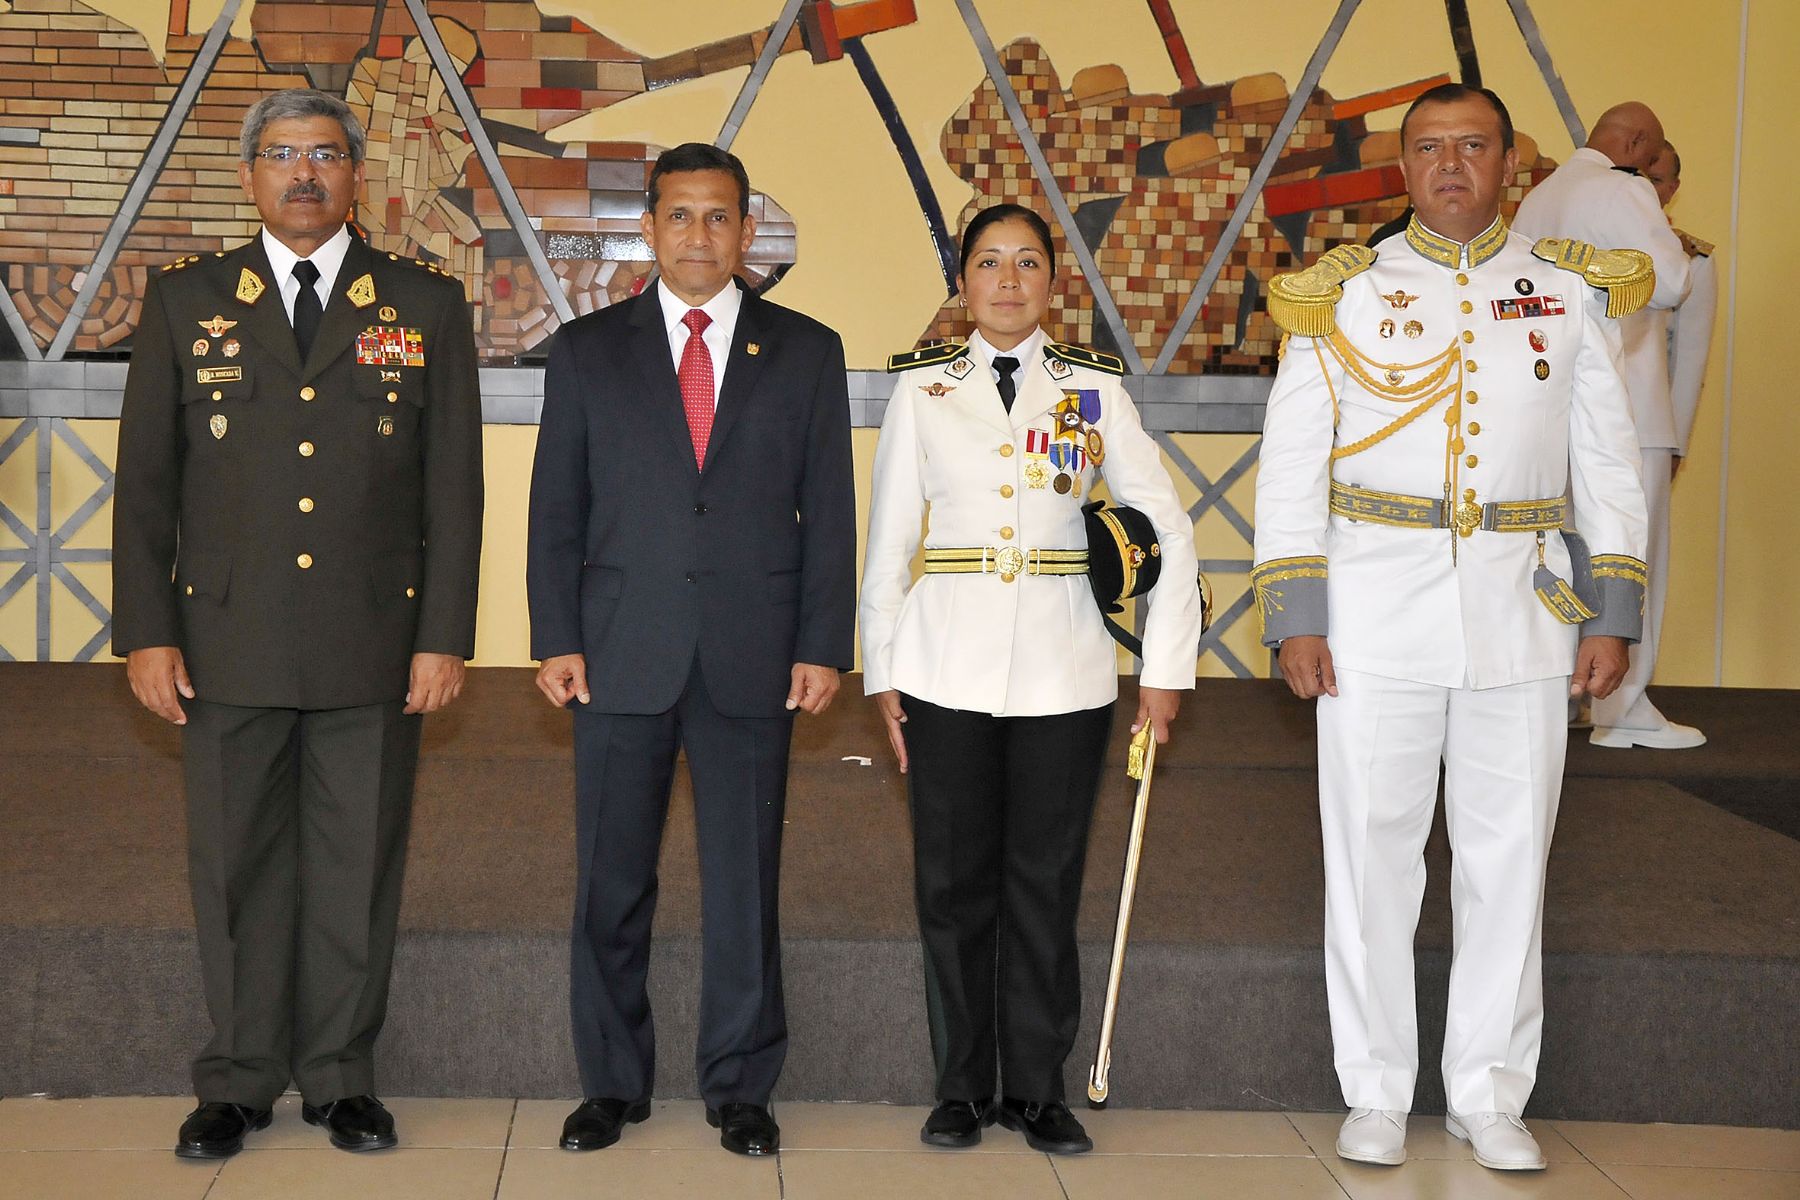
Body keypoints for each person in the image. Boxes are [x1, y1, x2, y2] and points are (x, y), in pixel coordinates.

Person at [1253, 85, 1648, 1172]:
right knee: (1371, 860)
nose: (1451, 166)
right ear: (1401, 165)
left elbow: (1608, 467)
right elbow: (1292, 466)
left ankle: (1489, 1093)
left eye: (1472, 146)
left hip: (1522, 620)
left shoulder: (1564, 294)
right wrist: (1297, 613)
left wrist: (1611, 614)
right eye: (1429, 148)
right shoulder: (1339, 294)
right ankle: (1375, 1089)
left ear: (1509, 161)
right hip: (1374, 615)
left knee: (1508, 862)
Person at [113, 89, 484, 1159]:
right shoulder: (186, 303)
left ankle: (339, 1076)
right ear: (249, 176)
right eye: (281, 155)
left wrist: (442, 634)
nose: (304, 173)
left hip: (373, 638)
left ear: (355, 174)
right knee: (234, 864)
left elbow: (452, 491)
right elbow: (147, 486)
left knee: (355, 863)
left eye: (325, 154)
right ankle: (236, 1079)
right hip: (225, 639)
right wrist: (147, 628)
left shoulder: (422, 302)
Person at [526, 143, 856, 1159]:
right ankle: (612, 1084)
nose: (700, 237)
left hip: (756, 653)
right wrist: (557, 637)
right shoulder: (587, 352)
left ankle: (740, 1085)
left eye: (720, 218)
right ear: (650, 227)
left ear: (746, 230)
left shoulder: (805, 350)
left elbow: (831, 513)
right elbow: (557, 513)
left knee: (743, 879)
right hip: (621, 650)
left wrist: (822, 643)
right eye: (680, 217)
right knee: (611, 881)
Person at [860, 203, 1205, 1155]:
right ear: (962, 284)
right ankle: (963, 1085)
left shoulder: (1092, 390)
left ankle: (1039, 1088)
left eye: (1027, 265)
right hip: (943, 666)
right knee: (953, 883)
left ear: (1055, 284)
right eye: (987, 264)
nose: (1007, 281)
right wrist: (882, 673)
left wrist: (1164, 669)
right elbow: (889, 544)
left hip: (1067, 671)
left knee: (1045, 884)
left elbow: (1165, 526)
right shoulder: (923, 392)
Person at [1515, 103, 1700, 748]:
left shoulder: (1537, 198)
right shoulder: (1624, 190)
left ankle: (1562, 696)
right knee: (1630, 552)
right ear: (1636, 143)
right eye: (1652, 159)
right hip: (1627, 404)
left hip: (1549, 407)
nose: (1652, 172)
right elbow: (1673, 282)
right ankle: (1622, 709)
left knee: (1563, 555)